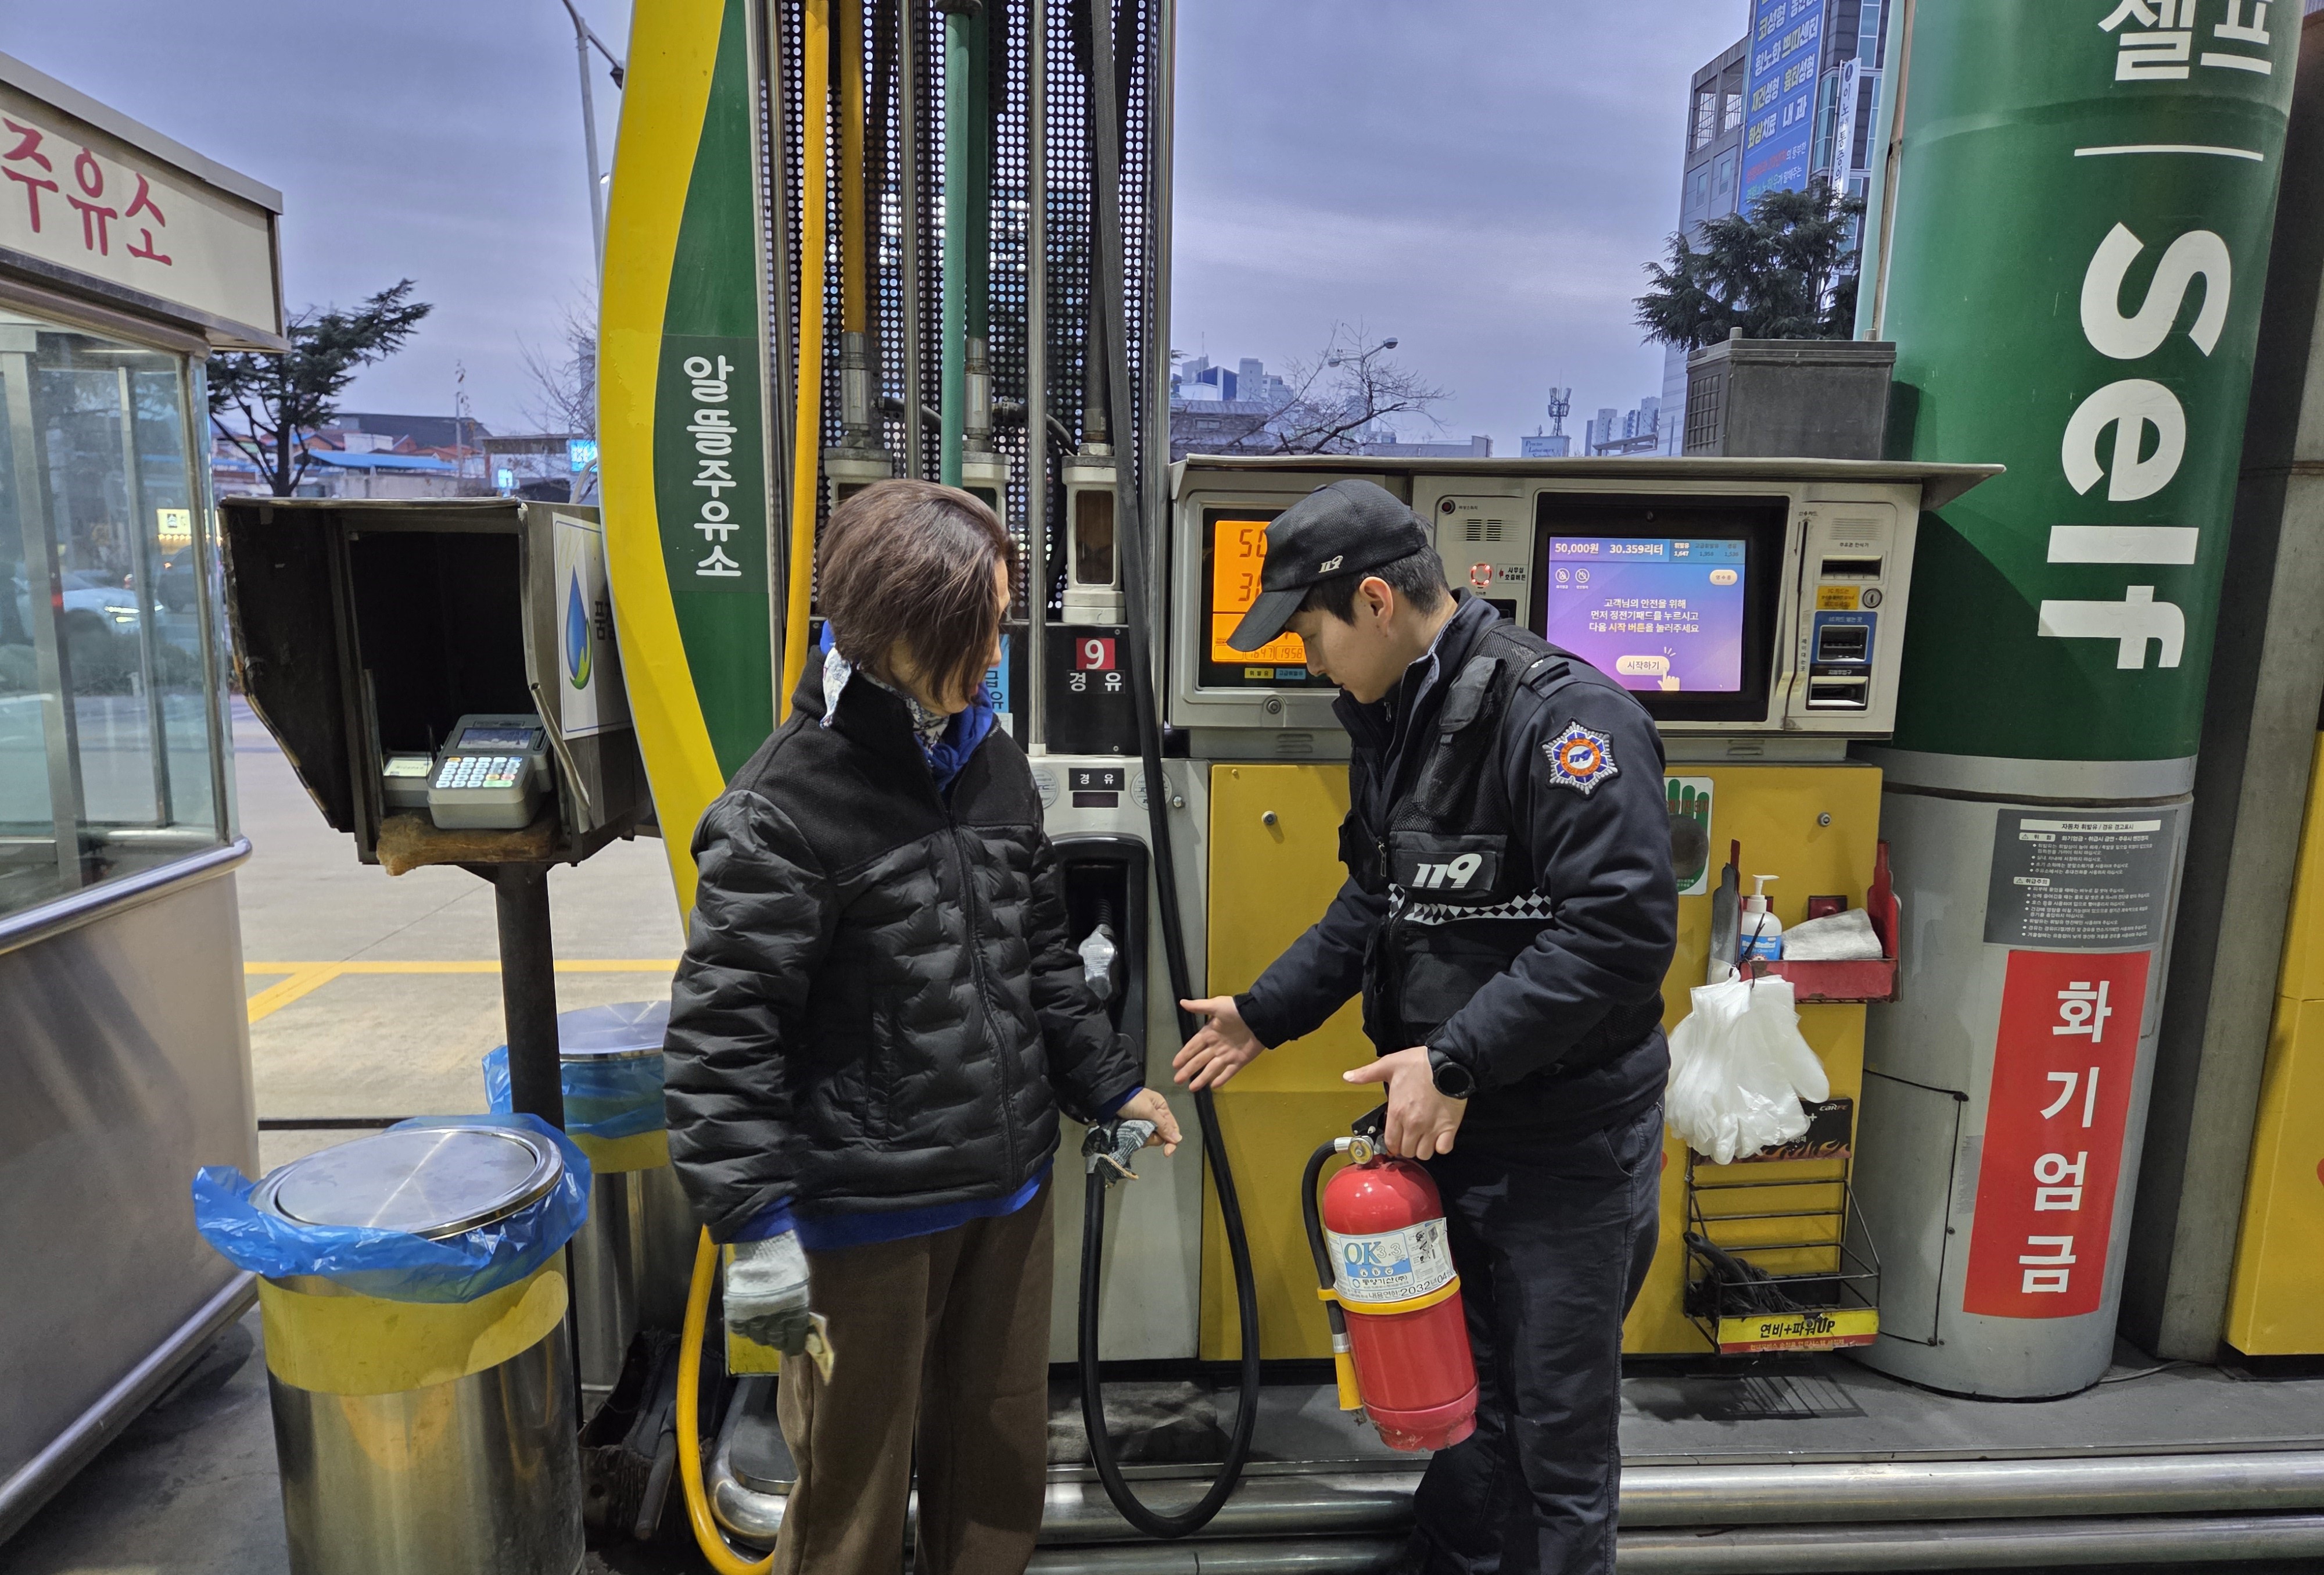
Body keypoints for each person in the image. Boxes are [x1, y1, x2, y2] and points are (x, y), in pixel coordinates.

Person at [663, 478, 1182, 1575]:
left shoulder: (991, 760)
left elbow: (1038, 953)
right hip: (866, 1217)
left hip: (1007, 1186)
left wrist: (1108, 1086)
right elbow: (725, 1035)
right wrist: (752, 1224)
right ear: (898, 628)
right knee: (851, 1486)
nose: (996, 651)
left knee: (995, 1465)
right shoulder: (783, 807)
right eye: (979, 627)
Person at [1171, 479, 1676, 1575]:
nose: (1308, 663)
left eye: (1309, 635)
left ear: (1374, 602)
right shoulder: (1397, 719)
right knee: (1458, 1404)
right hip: (1454, 1138)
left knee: (1556, 1439)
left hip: (1566, 1151)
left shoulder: (1562, 718)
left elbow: (1622, 934)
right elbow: (1380, 898)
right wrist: (1266, 1011)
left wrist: (1456, 1055)